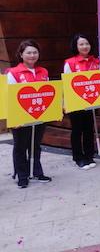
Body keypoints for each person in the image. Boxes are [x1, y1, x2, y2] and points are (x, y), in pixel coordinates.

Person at [6, 40, 52, 189]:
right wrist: (14, 119)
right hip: (20, 117)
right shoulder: (13, 73)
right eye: (28, 52)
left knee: (35, 145)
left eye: (35, 52)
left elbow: (47, 92)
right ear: (21, 54)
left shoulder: (43, 72)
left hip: (39, 114)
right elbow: (10, 97)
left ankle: (37, 172)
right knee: (20, 146)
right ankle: (22, 175)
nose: (32, 55)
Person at [64, 34, 100, 170]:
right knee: (77, 130)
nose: (85, 46)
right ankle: (78, 157)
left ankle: (89, 155)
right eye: (81, 44)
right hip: (76, 102)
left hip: (91, 101)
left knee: (89, 129)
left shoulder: (95, 62)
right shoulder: (70, 63)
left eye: (87, 44)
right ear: (76, 46)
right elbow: (67, 84)